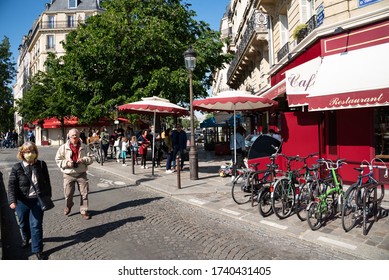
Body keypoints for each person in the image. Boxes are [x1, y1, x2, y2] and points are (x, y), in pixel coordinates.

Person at [7, 142, 52, 260]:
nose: (30, 154)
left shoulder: (42, 165)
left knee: (36, 225)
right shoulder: (17, 167)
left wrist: (47, 197)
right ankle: (26, 238)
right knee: (23, 223)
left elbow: (47, 182)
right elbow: (11, 185)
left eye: (32, 151)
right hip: (22, 201)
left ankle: (37, 249)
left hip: (37, 200)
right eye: (27, 152)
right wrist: (12, 200)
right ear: (22, 153)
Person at [55, 128, 93, 220]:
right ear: (69, 136)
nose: (74, 138)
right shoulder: (63, 147)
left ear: (79, 136)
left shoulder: (84, 146)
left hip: (81, 173)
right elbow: (58, 159)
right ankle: (69, 205)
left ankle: (84, 210)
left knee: (84, 193)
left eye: (76, 136)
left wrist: (84, 160)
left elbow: (91, 158)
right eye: (72, 136)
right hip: (68, 174)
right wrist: (67, 163)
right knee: (68, 194)